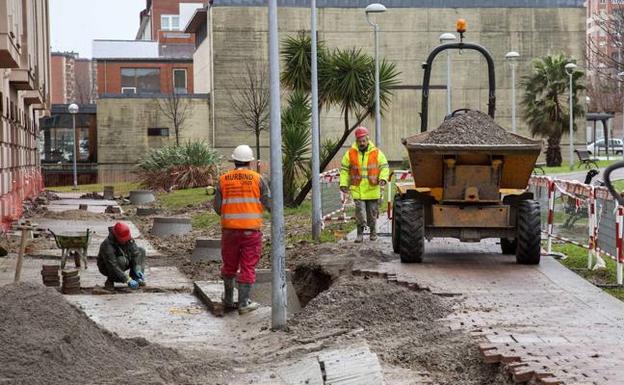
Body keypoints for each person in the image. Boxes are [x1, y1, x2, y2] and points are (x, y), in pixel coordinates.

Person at [213, 144, 271, 314]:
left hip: (229, 231)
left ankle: (229, 299)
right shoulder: (258, 179)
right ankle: (244, 303)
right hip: (251, 232)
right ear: (250, 162)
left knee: (229, 264)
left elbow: (217, 208)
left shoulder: (223, 179)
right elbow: (269, 203)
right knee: (247, 266)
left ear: (234, 161)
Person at [339, 127, 390, 243]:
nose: (362, 143)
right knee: (359, 213)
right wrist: (343, 184)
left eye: (363, 141)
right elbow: (344, 170)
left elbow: (384, 167)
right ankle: (360, 234)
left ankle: (373, 232)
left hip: (372, 189)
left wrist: (383, 178)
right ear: (356, 141)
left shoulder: (376, 152)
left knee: (372, 214)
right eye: (359, 141)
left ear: (367, 140)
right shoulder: (350, 153)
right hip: (358, 189)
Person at [97, 222, 146, 290]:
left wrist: (137, 268)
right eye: (123, 239)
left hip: (124, 260)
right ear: (117, 236)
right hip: (107, 267)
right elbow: (112, 265)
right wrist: (127, 279)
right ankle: (110, 280)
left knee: (141, 250)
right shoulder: (107, 245)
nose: (126, 241)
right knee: (121, 260)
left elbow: (136, 253)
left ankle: (135, 277)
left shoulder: (127, 239)